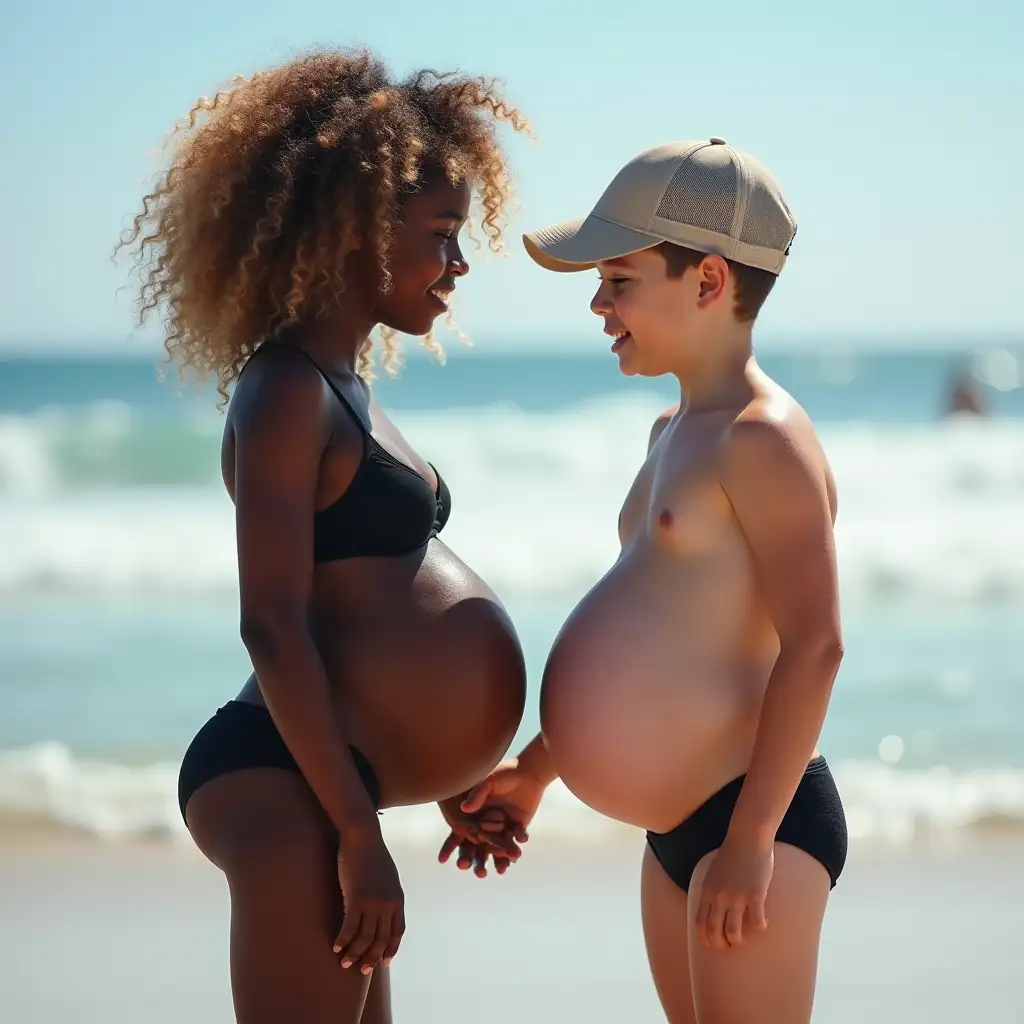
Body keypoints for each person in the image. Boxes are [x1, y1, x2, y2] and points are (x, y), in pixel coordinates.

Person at [116, 48, 531, 1024]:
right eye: (441, 235)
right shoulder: (285, 392)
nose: (459, 265)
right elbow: (272, 625)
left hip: (331, 785)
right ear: (360, 225)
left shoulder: (347, 386)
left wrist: (441, 779)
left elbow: (354, 624)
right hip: (280, 789)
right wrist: (352, 823)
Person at [440, 139, 848, 1023]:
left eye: (619, 279)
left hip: (752, 818)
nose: (597, 301)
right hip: (675, 834)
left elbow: (816, 647)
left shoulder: (762, 438)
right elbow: (675, 635)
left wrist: (750, 842)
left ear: (707, 281)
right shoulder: (671, 431)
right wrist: (540, 770)